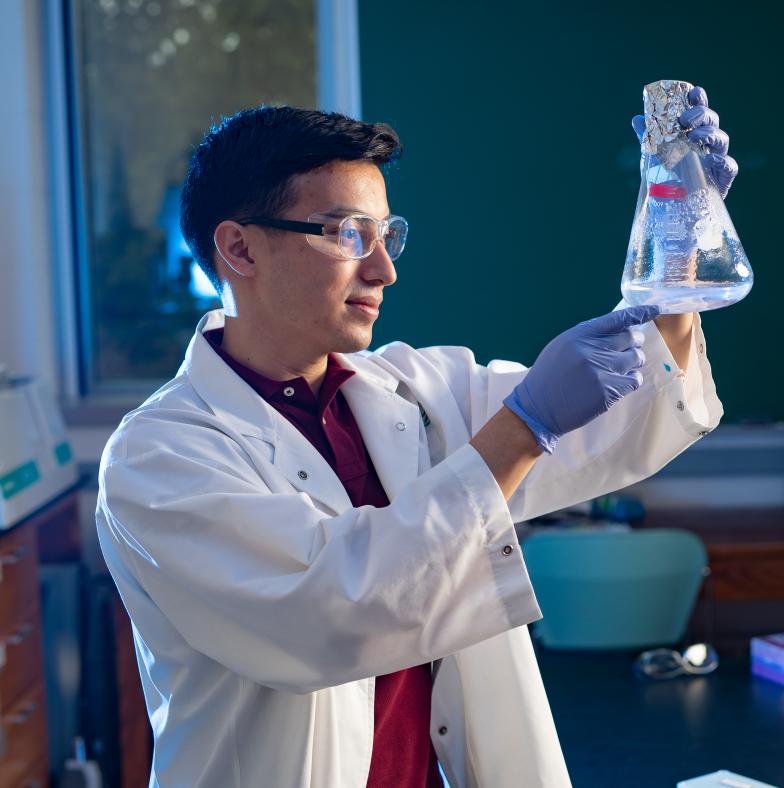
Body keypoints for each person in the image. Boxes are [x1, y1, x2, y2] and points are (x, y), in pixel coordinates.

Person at [94, 90, 737, 788]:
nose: (381, 269)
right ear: (240, 247)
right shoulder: (159, 457)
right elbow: (330, 612)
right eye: (346, 234)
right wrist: (523, 426)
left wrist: (677, 241)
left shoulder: (415, 391)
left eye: (386, 235)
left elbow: (622, 414)